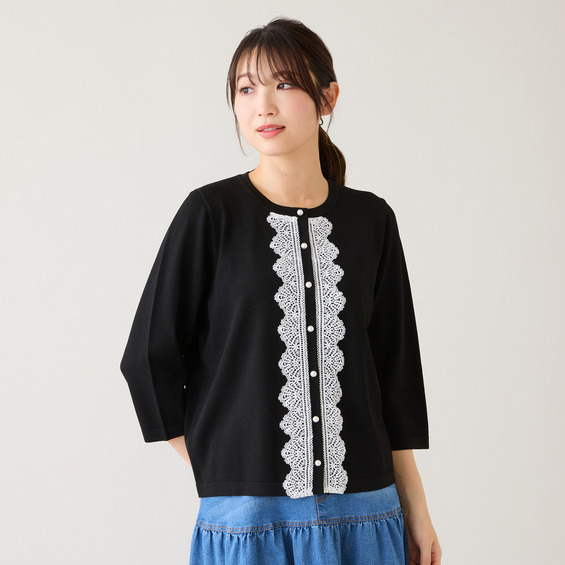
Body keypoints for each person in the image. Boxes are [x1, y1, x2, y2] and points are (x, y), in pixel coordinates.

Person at [120, 16, 442, 565]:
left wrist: (417, 507)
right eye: (246, 89)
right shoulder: (210, 214)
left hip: (367, 514)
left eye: (284, 84)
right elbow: (148, 358)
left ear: (327, 96)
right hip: (248, 524)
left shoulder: (372, 220)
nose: (262, 106)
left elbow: (395, 373)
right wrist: (220, 463)